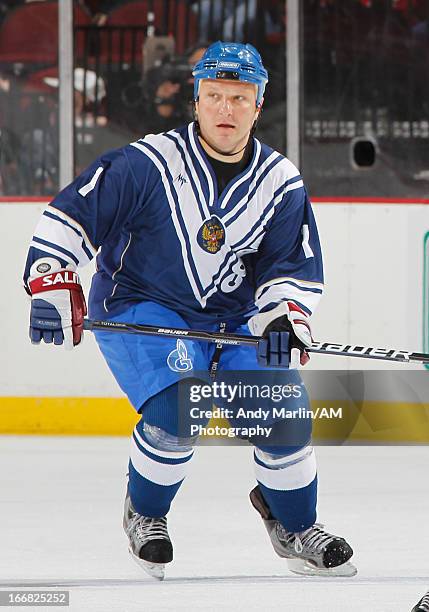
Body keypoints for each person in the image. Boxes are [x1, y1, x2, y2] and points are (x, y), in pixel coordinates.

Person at [23, 41, 356, 580]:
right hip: (142, 307)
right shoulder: (146, 162)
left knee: (285, 416)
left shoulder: (279, 182)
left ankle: (293, 525)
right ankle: (146, 514)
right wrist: (52, 282)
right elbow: (72, 215)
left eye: (239, 97)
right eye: (215, 96)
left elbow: (289, 265)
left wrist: (283, 316)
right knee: (181, 407)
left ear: (259, 104)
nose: (226, 109)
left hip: (234, 324)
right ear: (197, 100)